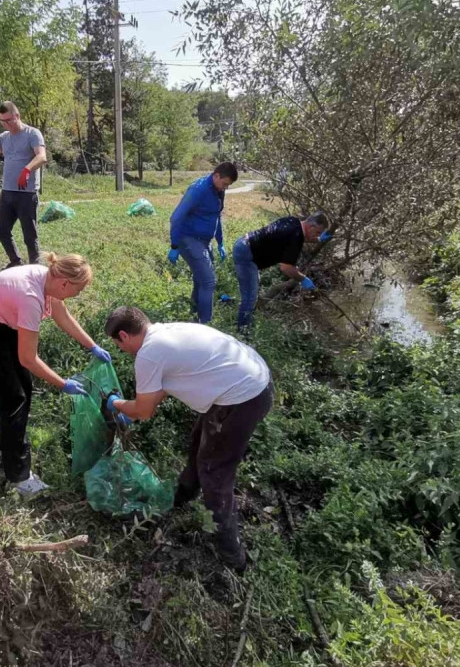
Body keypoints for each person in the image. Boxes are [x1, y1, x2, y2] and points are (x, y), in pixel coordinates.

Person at [103, 306, 273, 572]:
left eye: (118, 345)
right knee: (199, 442)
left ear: (123, 335)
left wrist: (116, 404)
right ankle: (182, 495)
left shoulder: (148, 354)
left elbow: (144, 411)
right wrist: (133, 411)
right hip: (255, 380)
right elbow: (160, 389)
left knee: (214, 470)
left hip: (241, 398)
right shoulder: (166, 332)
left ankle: (232, 555)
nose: (121, 350)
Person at [0, 252, 110, 497]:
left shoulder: (48, 278)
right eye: (77, 290)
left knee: (23, 390)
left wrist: (92, 346)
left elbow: (62, 315)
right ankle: (19, 477)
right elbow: (28, 358)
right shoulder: (30, 298)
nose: (77, 295)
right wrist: (62, 383)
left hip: (0, 327)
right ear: (64, 283)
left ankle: (11, 447)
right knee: (13, 400)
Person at [0, 101, 48, 267]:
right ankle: (16, 261)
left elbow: (42, 156)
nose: (5, 124)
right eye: (2, 121)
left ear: (17, 116)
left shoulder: (32, 133)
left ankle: (35, 268)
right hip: (7, 192)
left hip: (27, 193)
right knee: (2, 231)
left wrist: (27, 170)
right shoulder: (4, 137)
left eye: (8, 120)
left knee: (30, 235)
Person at [233, 212, 331, 330]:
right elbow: (286, 268)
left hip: (244, 243)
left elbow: (300, 237)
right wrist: (303, 279)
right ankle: (242, 332)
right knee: (250, 297)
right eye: (318, 232)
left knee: (251, 290)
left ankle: (245, 317)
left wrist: (318, 239)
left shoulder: (293, 222)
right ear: (311, 227)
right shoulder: (296, 237)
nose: (317, 235)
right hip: (247, 254)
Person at [167, 162, 238, 324]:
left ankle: (194, 318)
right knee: (208, 281)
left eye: (228, 185)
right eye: (225, 183)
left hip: (205, 241)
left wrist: (220, 242)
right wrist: (174, 245)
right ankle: (206, 325)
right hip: (189, 239)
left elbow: (217, 215)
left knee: (201, 280)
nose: (225, 188)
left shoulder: (218, 190)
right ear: (216, 176)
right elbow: (176, 217)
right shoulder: (198, 190)